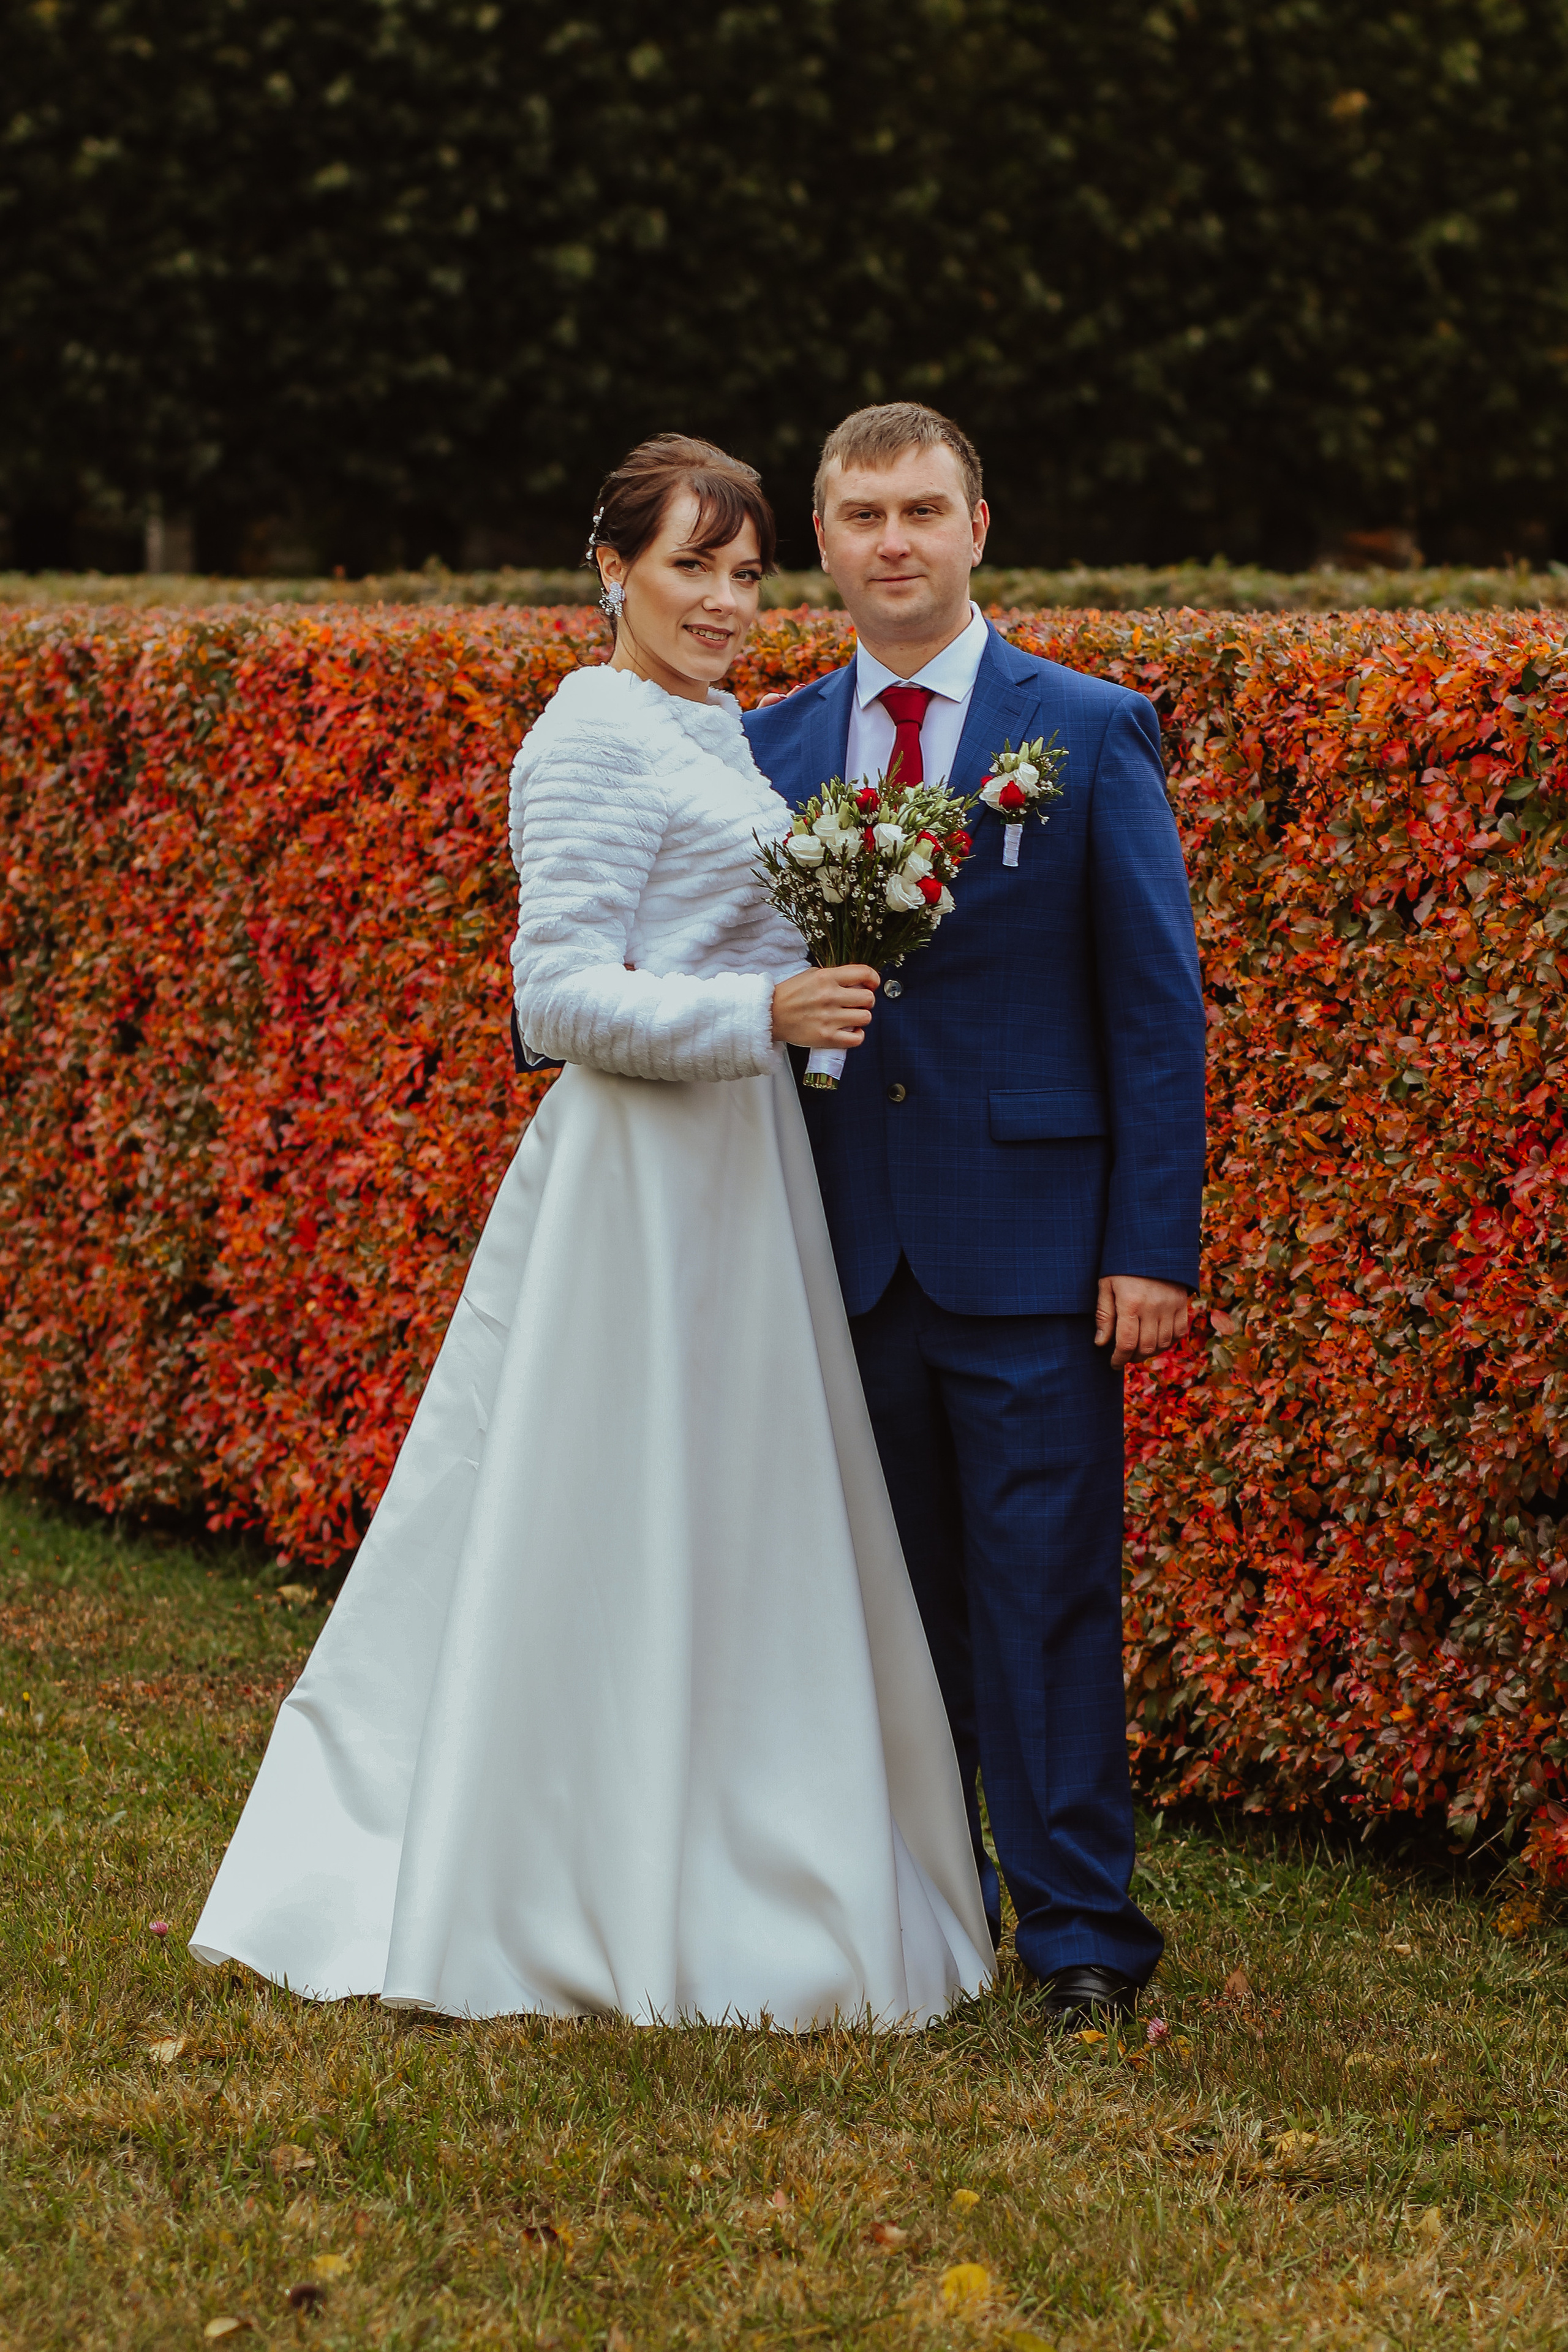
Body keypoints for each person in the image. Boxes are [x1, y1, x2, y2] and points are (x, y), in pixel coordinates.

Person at [190, 435, 992, 2027]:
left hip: (740, 1172)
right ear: (612, 571)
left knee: (732, 1518)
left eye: (745, 572)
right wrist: (760, 1011)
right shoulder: (587, 734)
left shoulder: (710, 728)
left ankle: (728, 1849)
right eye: (691, 565)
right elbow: (553, 997)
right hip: (637, 1183)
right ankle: (559, 1874)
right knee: (611, 1517)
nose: (724, 601)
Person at [744, 403, 1206, 2025]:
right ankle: (935, 1921)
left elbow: (1156, 1011)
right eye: (864, 515)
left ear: (978, 528)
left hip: (1032, 1256)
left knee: (1047, 1603)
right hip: (840, 1253)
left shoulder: (1082, 728)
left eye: (923, 511)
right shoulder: (768, 748)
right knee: (887, 1614)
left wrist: (1150, 1244)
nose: (895, 542)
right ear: (824, 539)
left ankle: (1081, 1938)